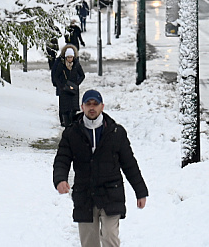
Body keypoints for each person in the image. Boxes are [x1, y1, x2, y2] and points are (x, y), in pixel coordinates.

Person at [53, 90, 148, 247]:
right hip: (84, 194)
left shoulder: (116, 132)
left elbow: (129, 163)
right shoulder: (72, 133)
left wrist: (141, 192)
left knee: (110, 237)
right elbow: (62, 160)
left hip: (111, 192)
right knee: (89, 242)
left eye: (95, 104)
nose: (92, 107)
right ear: (82, 107)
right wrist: (60, 179)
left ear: (102, 106)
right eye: (88, 104)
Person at [51, 45, 86, 127]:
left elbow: (82, 75)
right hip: (64, 90)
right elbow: (55, 75)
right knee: (65, 109)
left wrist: (76, 84)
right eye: (68, 57)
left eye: (71, 57)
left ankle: (73, 125)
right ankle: (66, 124)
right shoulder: (61, 64)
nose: (70, 59)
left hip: (73, 90)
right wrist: (60, 86)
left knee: (73, 108)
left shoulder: (76, 64)